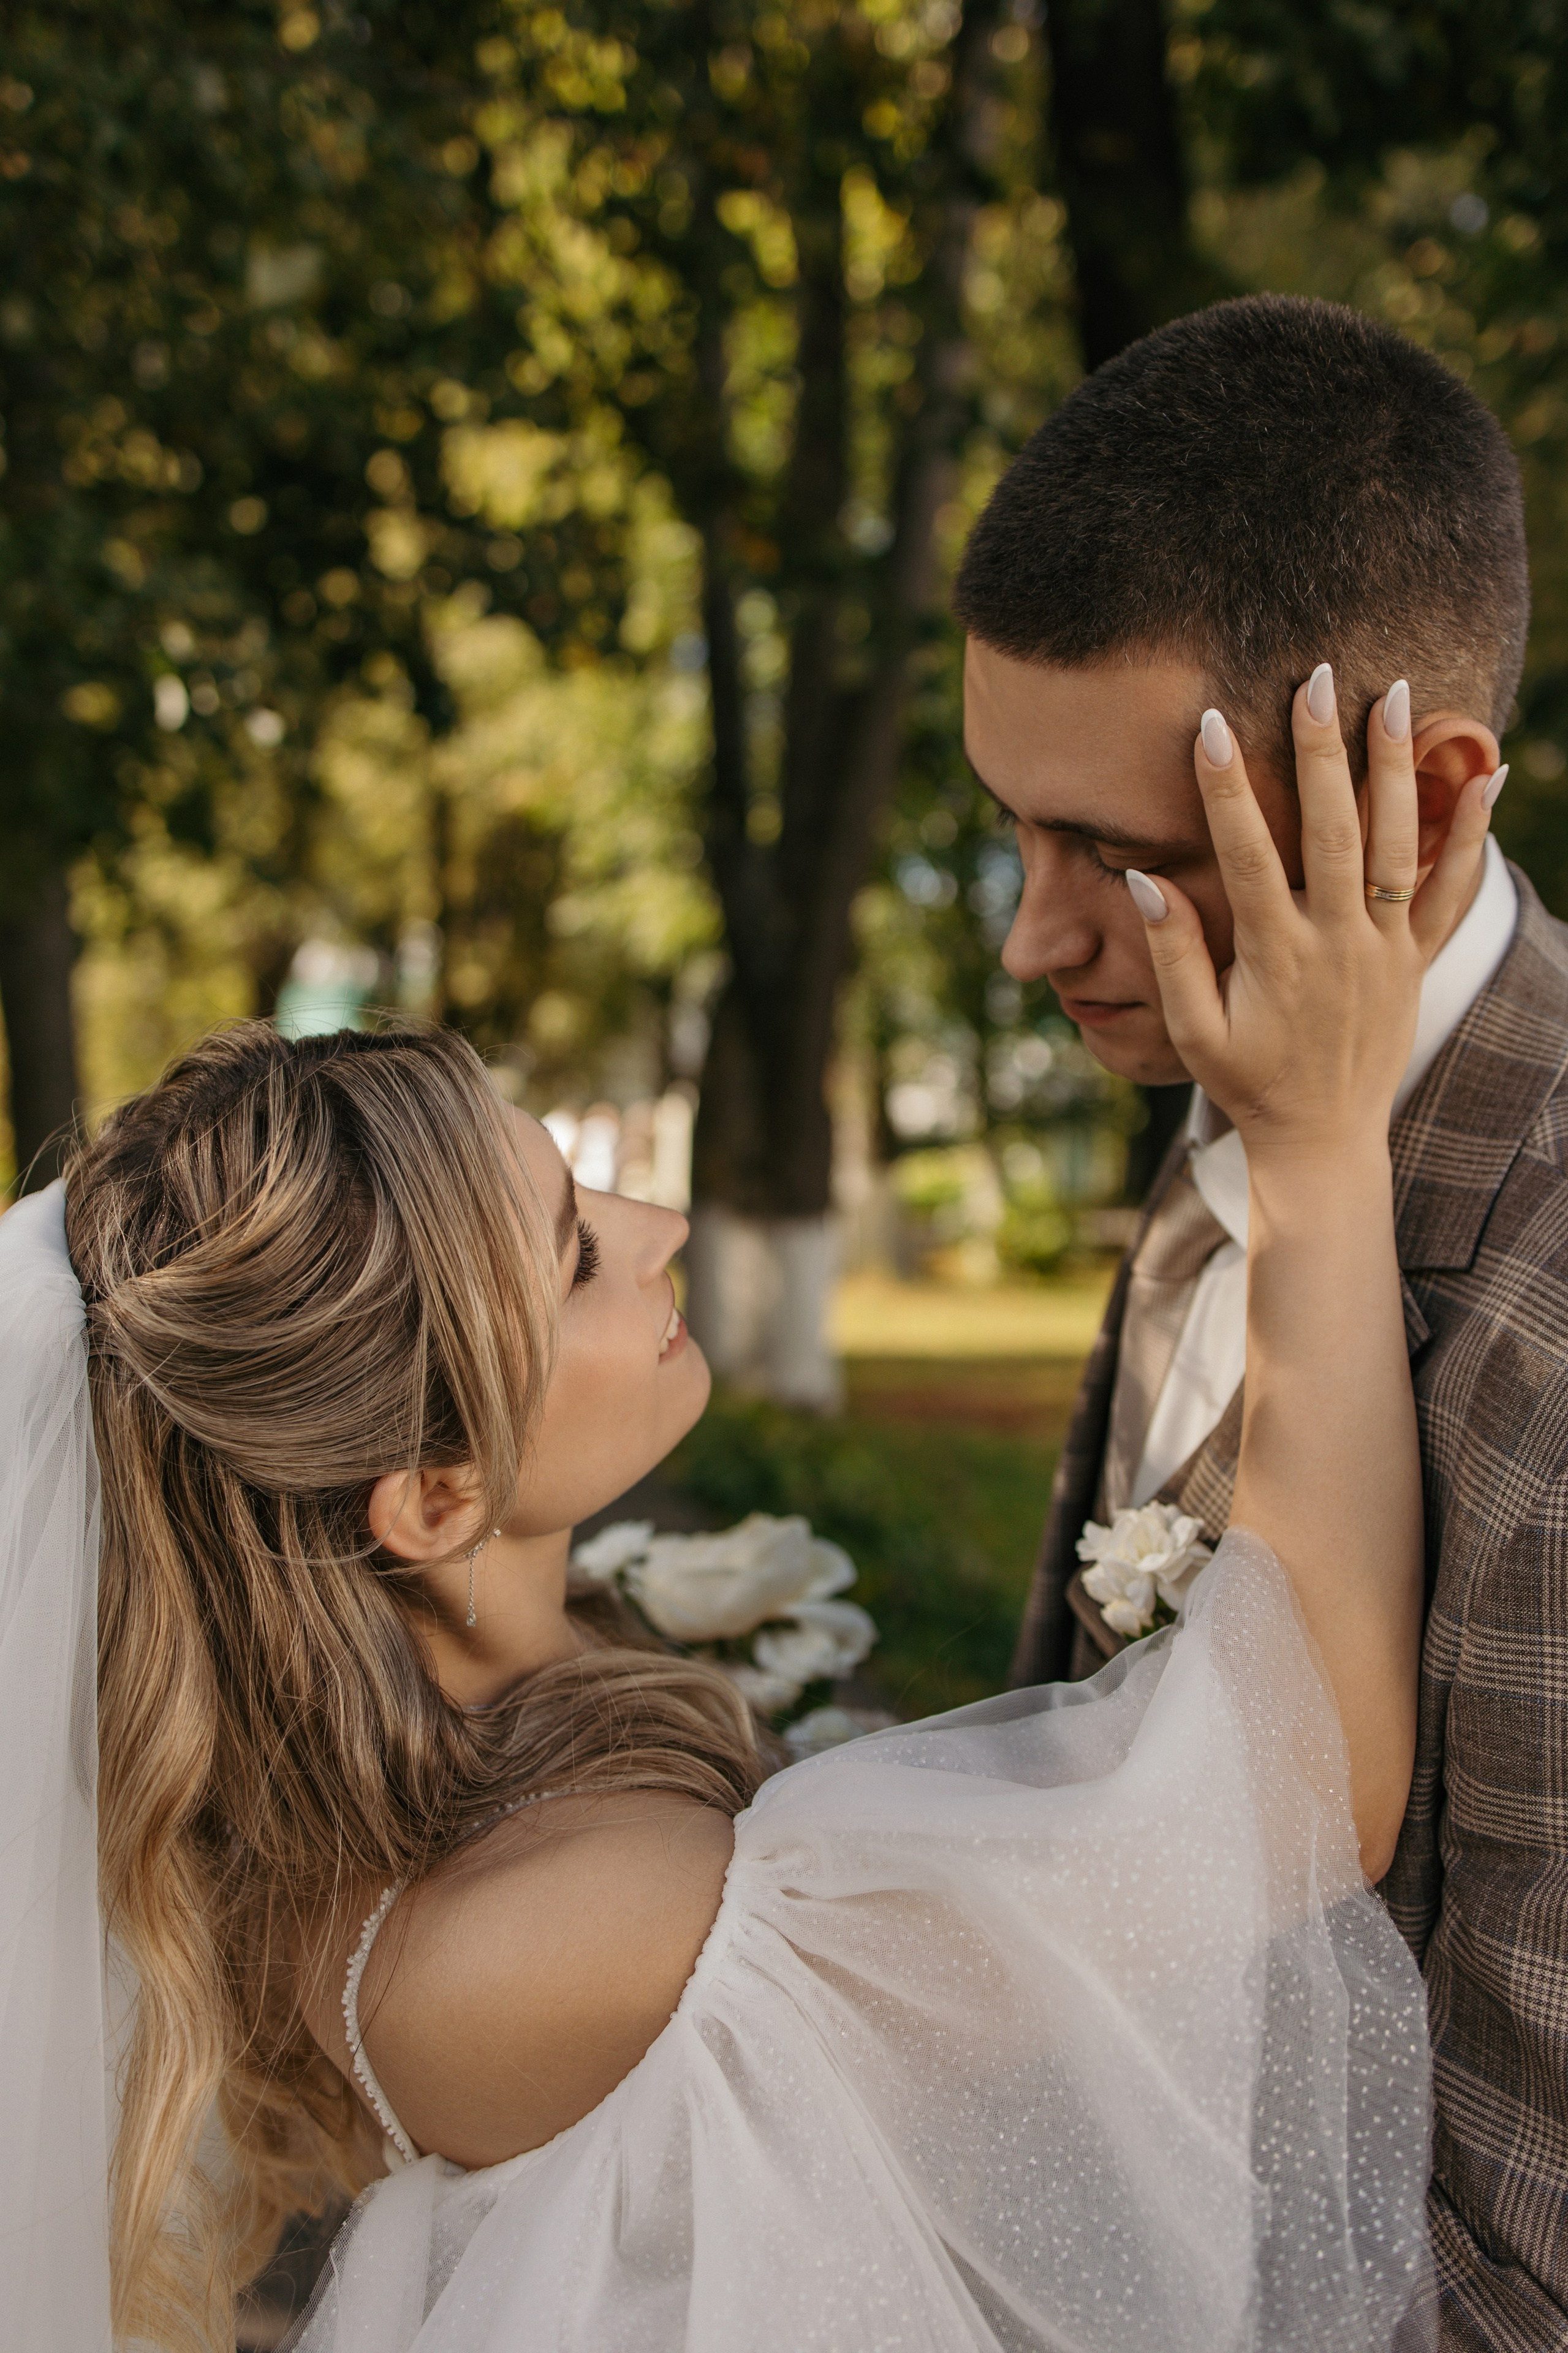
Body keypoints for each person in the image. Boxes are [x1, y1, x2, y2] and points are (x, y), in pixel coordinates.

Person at [4, 673, 1475, 2353]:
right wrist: (1317, 1142)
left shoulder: (339, 1805)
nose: (662, 1222)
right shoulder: (581, 1932)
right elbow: (1280, 1808)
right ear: (434, 1496)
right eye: (571, 1251)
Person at [958, 293, 1565, 2351]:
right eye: (1008, 833)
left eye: (1114, 858)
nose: (1036, 941)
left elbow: (1528, 2257)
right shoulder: (1240, 1076)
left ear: (1417, 797)